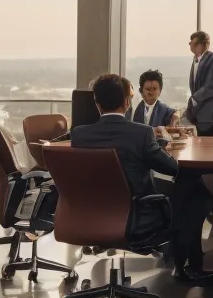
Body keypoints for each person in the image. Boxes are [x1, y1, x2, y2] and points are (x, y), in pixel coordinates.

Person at [70, 74, 179, 243]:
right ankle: (181, 263)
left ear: (97, 104)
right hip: (137, 218)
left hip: (92, 215)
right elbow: (172, 168)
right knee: (192, 193)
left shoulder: (79, 135)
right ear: (127, 102)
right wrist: (162, 142)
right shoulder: (143, 133)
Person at [185, 31, 213, 136]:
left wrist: (194, 99)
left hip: (212, 119)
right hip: (199, 119)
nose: (190, 45)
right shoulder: (195, 60)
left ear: (201, 44)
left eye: (192, 43)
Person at [132, 70, 177, 135]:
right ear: (141, 90)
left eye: (154, 89)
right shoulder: (136, 110)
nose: (151, 92)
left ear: (160, 90)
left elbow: (175, 112)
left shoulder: (164, 109)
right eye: (148, 89)